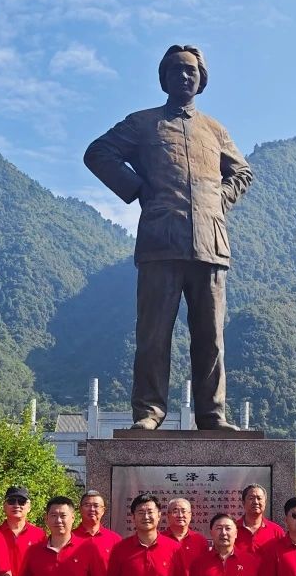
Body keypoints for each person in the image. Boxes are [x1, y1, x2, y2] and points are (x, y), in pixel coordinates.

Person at [84, 44, 253, 431]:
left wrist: (220, 199)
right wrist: (137, 189)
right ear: (163, 78)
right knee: (153, 335)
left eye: (191, 70)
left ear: (201, 79)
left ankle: (212, 414)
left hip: (210, 245)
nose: (184, 75)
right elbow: (99, 153)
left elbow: (242, 172)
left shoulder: (215, 130)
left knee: (210, 337)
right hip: (161, 242)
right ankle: (148, 412)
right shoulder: (143, 123)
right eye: (175, 69)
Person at [236, 484, 285, 553]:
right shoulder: (233, 529)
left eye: (259, 498)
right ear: (243, 503)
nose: (255, 502)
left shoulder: (276, 531)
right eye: (251, 498)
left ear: (265, 503)